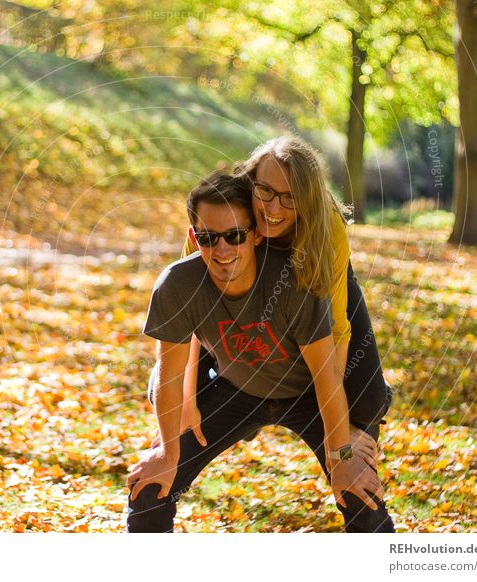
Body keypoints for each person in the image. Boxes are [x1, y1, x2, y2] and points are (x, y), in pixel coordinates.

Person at [126, 171, 394, 532]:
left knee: (358, 490)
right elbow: (170, 373)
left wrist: (342, 452)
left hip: (307, 395)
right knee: (149, 488)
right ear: (194, 238)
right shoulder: (177, 285)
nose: (222, 251)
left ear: (254, 234)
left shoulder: (294, 283)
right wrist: (167, 452)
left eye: (234, 236)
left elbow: (327, 377)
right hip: (235, 390)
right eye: (208, 238)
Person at [151, 136, 391, 452]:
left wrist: (341, 428)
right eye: (265, 191)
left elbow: (337, 329)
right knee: (164, 390)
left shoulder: (326, 228)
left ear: (306, 200)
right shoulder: (220, 215)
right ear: (251, 183)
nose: (273, 208)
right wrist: (186, 401)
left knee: (367, 403)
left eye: (290, 197)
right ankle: (239, 406)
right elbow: (189, 305)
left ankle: (369, 426)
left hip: (313, 291)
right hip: (228, 301)